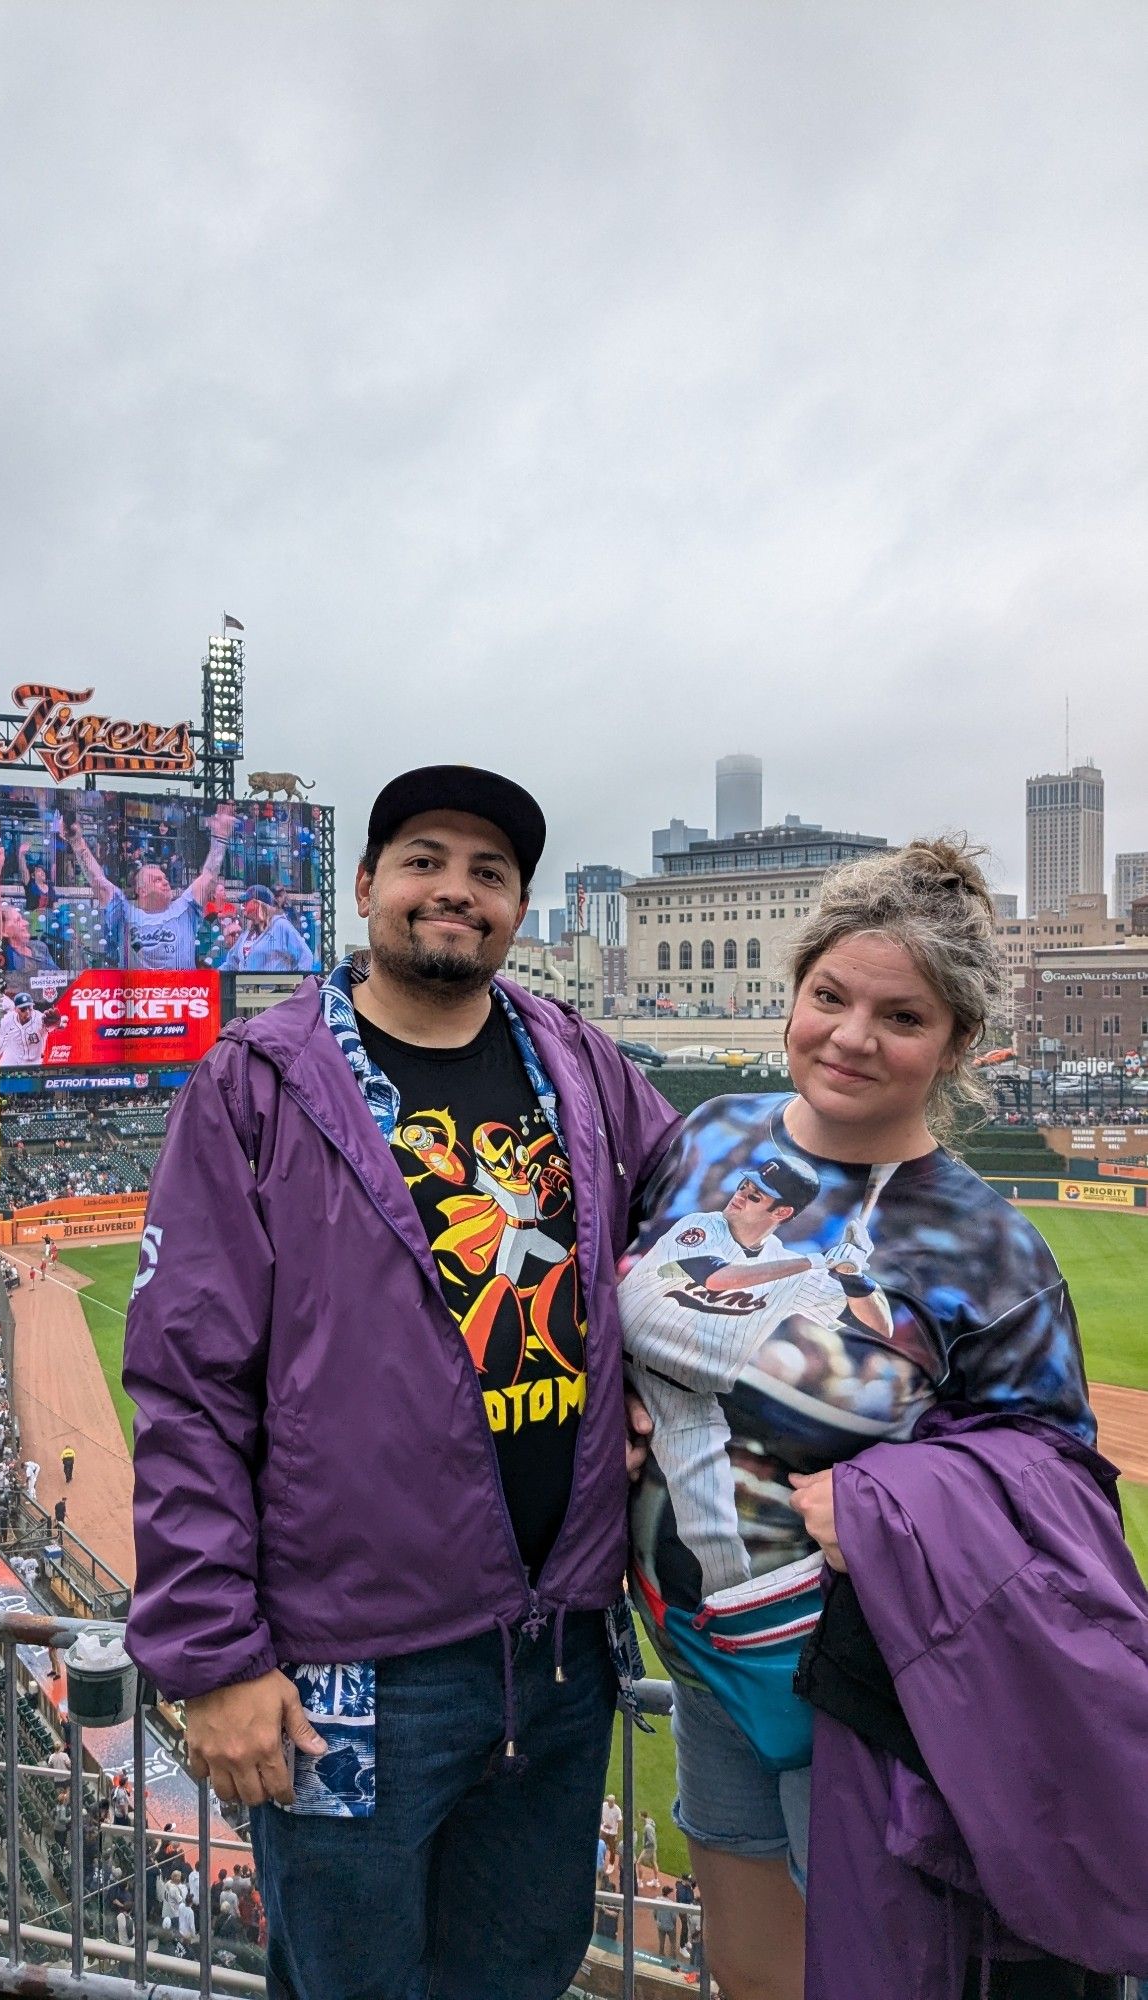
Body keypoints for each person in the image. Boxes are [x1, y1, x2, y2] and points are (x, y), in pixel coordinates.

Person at [123, 764, 678, 2000]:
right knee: (351, 1985)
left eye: (490, 873)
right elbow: (188, 1382)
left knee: (518, 1978)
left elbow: (695, 1220)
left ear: (519, 910)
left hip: (560, 1654)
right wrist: (212, 1656)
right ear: (367, 885)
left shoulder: (580, 1064)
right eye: (425, 859)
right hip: (352, 1668)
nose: (456, 891)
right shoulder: (258, 1080)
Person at [620, 838, 1098, 2000]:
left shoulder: (987, 1242)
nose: (849, 1036)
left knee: (870, 1972)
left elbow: (1062, 1486)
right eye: (829, 996)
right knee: (752, 1973)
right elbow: (626, 1290)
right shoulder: (708, 1135)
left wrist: (892, 1497)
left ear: (957, 1044)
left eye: (902, 1015)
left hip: (857, 1682)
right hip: (693, 1649)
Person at [56, 802, 236, 971]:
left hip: (181, 998)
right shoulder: (125, 913)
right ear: (141, 890)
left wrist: (220, 839)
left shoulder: (185, 908)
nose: (165, 882)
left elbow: (210, 875)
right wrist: (77, 843)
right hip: (138, 1001)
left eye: (164, 878)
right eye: (156, 880)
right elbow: (97, 879)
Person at [221, 885, 315, 973]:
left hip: (275, 989)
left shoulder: (281, 926)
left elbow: (305, 956)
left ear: (259, 904)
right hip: (246, 989)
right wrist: (210, 976)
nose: (243, 905)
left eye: (247, 901)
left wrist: (298, 984)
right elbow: (231, 964)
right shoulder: (247, 933)